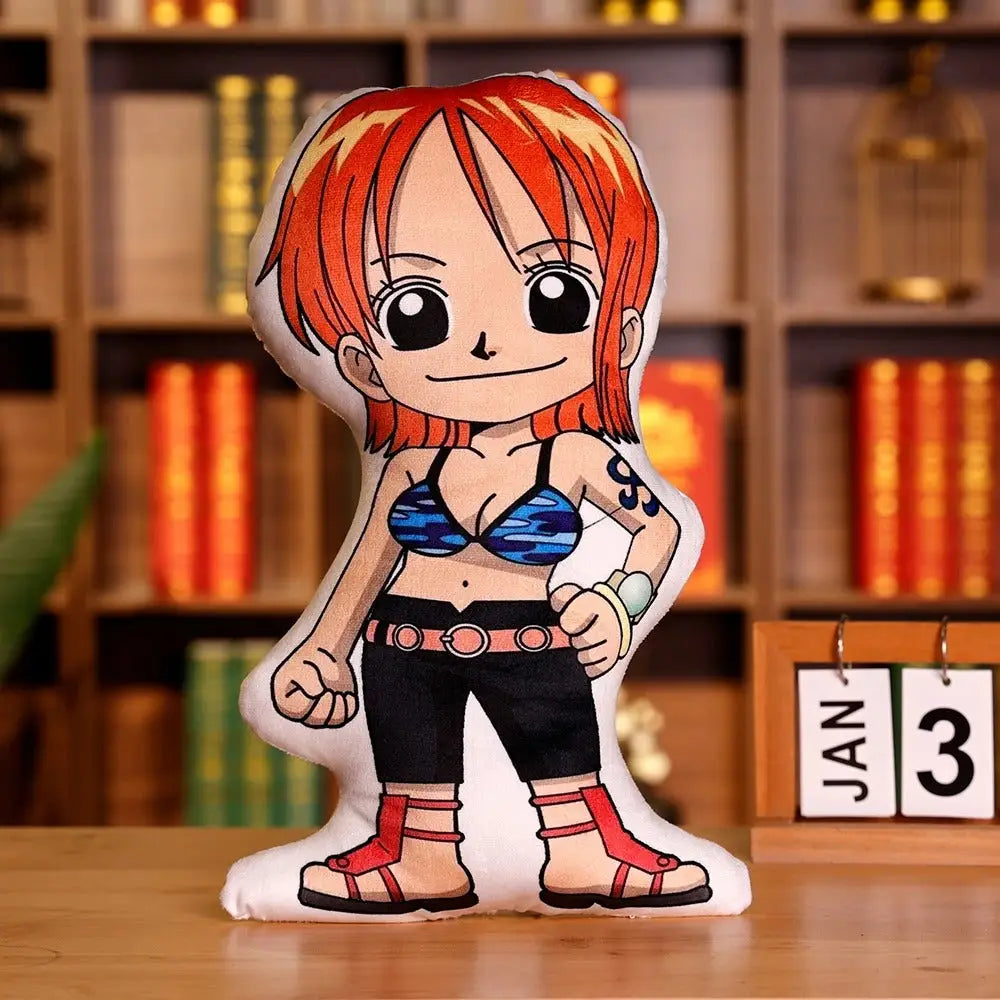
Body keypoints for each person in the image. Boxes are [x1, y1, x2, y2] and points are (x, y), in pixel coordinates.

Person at [257, 74, 711, 915]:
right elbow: (366, 562)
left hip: (534, 641)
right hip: (402, 641)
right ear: (360, 360)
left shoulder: (574, 455)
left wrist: (617, 600)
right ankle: (419, 859)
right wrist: (324, 647)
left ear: (619, 330)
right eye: (415, 311)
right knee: (413, 770)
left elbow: (658, 531)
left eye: (554, 294)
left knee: (562, 756)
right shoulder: (409, 466)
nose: (487, 341)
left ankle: (585, 852)